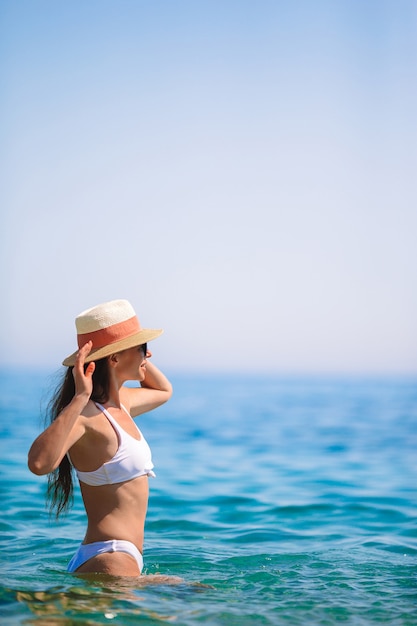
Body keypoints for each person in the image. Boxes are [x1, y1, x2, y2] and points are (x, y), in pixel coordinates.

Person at [28, 299, 173, 576]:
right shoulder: (86, 415)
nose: (149, 354)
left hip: (116, 557)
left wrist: (136, 353)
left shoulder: (122, 404)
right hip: (111, 558)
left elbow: (164, 391)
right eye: (142, 347)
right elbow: (38, 464)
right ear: (115, 357)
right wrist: (80, 396)